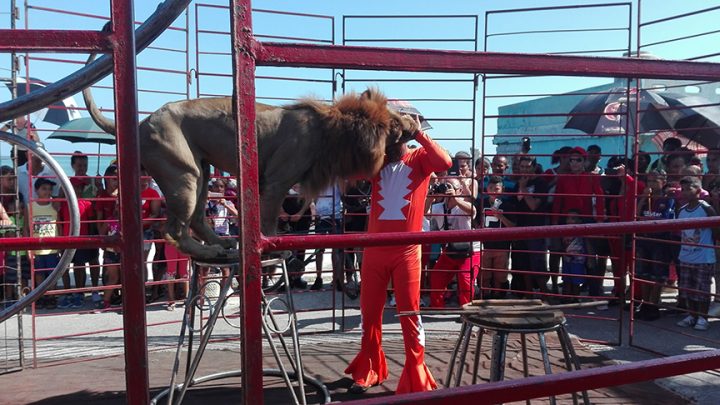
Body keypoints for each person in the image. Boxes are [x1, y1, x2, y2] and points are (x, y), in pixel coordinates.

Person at [345, 115, 451, 394]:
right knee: (369, 313)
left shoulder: (419, 159)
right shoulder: (376, 163)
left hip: (407, 251)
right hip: (374, 250)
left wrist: (419, 134)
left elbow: (445, 163)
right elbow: (350, 173)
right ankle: (369, 368)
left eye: (392, 132)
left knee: (409, 313)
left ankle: (416, 371)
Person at [675, 176, 717, 331]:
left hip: (703, 257)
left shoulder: (706, 209)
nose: (684, 192)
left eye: (688, 189)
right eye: (683, 189)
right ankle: (692, 315)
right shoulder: (682, 210)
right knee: (687, 288)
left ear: (698, 191)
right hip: (686, 255)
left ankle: (702, 317)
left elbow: (716, 231)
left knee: (702, 289)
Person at [428, 178, 478, 308]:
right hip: (451, 250)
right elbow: (423, 212)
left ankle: (467, 311)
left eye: (451, 187)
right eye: (446, 187)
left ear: (460, 191)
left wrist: (456, 198)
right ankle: (437, 307)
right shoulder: (438, 207)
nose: (447, 190)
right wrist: (431, 196)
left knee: (464, 279)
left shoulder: (463, 206)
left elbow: (472, 211)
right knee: (437, 276)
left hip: (470, 250)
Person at [635, 170, 675, 321]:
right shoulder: (645, 199)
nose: (651, 184)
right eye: (649, 181)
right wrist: (643, 199)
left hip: (659, 241)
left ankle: (654, 304)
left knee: (658, 275)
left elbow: (666, 220)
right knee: (644, 273)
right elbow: (637, 216)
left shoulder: (668, 199)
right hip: (645, 239)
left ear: (663, 182)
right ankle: (645, 303)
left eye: (654, 181)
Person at [512, 155, 549, 294]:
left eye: (528, 167)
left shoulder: (541, 183)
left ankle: (545, 294)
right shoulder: (518, 184)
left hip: (536, 229)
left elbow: (533, 205)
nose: (524, 170)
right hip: (521, 228)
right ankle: (529, 294)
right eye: (522, 167)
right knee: (524, 263)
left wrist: (523, 188)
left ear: (534, 167)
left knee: (538, 262)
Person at [477, 176, 516, 298]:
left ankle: (498, 295)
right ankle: (485, 294)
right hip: (485, 245)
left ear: (502, 189)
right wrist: (477, 227)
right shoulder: (480, 203)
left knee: (500, 274)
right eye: (491, 188)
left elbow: (513, 226)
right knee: (484, 273)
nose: (493, 191)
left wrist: (501, 217)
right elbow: (473, 220)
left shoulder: (509, 205)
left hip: (502, 245)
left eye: (497, 188)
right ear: (486, 188)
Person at [26, 178, 62, 309]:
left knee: (52, 274)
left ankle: (51, 296)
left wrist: (61, 244)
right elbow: (27, 228)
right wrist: (29, 248)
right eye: (44, 189)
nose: (47, 192)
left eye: (49, 189)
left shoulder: (54, 207)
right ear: (37, 190)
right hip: (37, 248)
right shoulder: (30, 207)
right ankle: (41, 295)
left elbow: (59, 226)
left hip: (52, 248)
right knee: (39, 274)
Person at [94, 164, 120, 311]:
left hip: (121, 246)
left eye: (117, 179)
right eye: (112, 179)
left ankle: (117, 297)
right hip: (108, 242)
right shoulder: (101, 195)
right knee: (110, 273)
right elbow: (99, 221)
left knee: (121, 273)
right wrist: (101, 240)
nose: (115, 181)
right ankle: (108, 298)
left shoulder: (123, 194)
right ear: (106, 179)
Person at [561, 210, 594, 300]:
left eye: (573, 218)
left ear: (579, 220)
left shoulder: (581, 231)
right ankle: (566, 297)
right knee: (566, 279)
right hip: (567, 259)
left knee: (576, 280)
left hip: (578, 260)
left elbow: (587, 244)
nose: (570, 221)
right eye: (568, 218)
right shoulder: (564, 230)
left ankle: (576, 298)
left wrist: (590, 258)